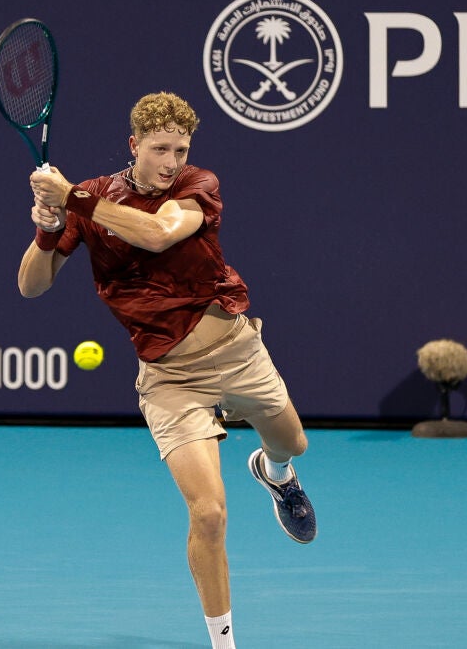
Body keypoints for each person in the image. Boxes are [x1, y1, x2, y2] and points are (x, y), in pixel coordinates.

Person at [18, 91, 315, 649]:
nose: (172, 161)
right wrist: (49, 225)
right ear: (134, 146)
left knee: (293, 441)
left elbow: (157, 233)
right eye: (160, 149)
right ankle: (223, 645)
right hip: (168, 378)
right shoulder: (96, 200)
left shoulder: (198, 186)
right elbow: (31, 285)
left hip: (236, 352)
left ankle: (276, 475)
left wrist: (72, 198)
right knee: (208, 513)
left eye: (180, 148)